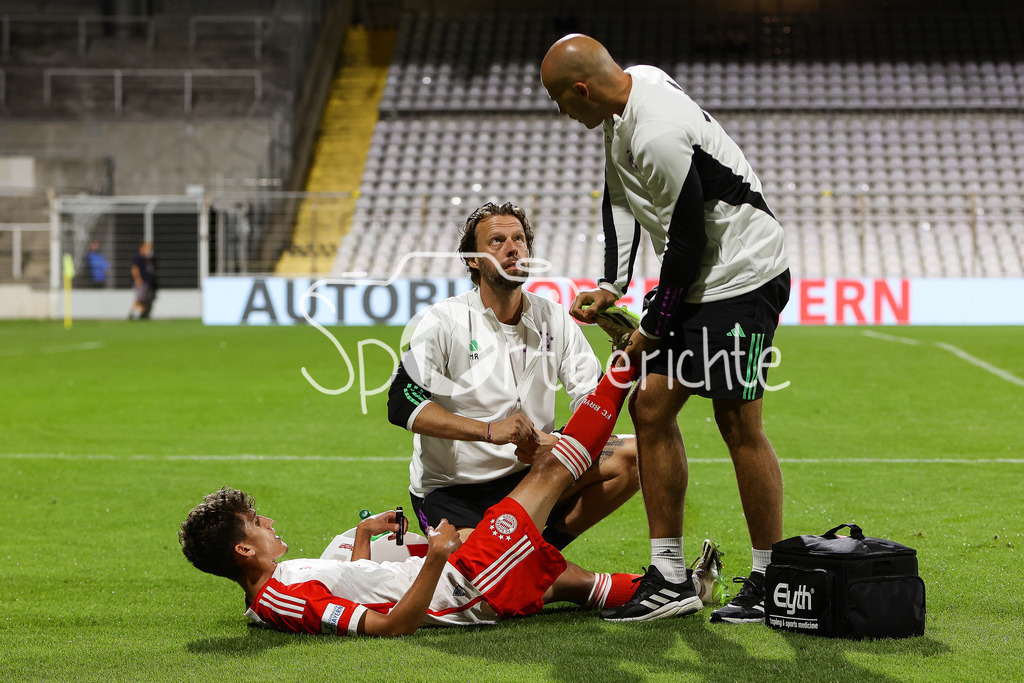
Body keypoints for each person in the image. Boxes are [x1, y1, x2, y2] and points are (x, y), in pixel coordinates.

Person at [541, 35, 791, 624]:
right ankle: (670, 576)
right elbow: (619, 199)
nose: (560, 112)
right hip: (703, 278)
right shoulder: (632, 90)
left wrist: (653, 325)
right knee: (650, 407)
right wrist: (612, 283)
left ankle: (770, 579)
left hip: (741, 277)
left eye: (559, 99)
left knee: (737, 421)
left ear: (582, 89)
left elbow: (686, 243)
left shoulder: (655, 132)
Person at [179, 364, 649, 637]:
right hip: (465, 582)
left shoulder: (274, 591)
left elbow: (360, 586)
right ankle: (625, 365)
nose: (269, 521)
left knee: (586, 587)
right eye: (257, 522)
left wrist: (362, 536)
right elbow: (389, 627)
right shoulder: (280, 600)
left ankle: (687, 587)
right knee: (553, 466)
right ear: (243, 549)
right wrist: (437, 557)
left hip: (464, 577)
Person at [387, 201, 641, 552]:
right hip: (455, 492)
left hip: (537, 475)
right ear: (473, 259)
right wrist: (490, 431)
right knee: (477, 581)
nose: (512, 248)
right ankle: (518, 564)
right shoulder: (442, 320)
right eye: (497, 241)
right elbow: (403, 401)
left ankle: (539, 557)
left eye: (519, 239)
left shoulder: (554, 317)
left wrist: (623, 361)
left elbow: (594, 400)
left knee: (633, 455)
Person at [129, 241, 156, 319]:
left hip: (147, 282)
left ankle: (142, 315)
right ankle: (131, 313)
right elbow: (134, 268)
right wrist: (138, 279)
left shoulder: (146, 259)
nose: (149, 250)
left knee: (144, 299)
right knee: (139, 298)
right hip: (141, 282)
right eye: (147, 248)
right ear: (142, 248)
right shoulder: (139, 257)